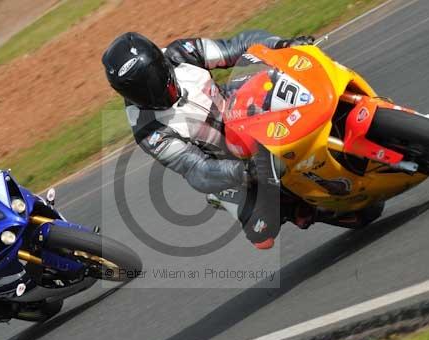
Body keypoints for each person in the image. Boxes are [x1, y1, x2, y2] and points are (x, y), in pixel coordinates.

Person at [102, 30, 316, 249]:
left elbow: (239, 45)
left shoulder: (180, 53)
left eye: (152, 78)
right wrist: (244, 172)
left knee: (299, 89)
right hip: (226, 161)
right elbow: (196, 169)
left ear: (160, 62)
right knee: (263, 234)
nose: (150, 90)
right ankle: (280, 204)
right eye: (138, 90)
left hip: (240, 108)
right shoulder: (148, 130)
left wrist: (282, 44)